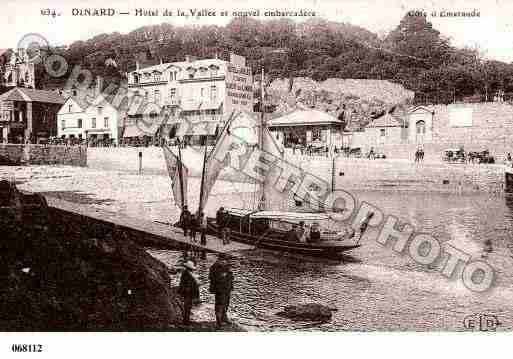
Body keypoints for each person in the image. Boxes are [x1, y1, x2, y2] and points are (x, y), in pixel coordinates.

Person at [209, 255, 234, 328]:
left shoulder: (227, 266)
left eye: (225, 260)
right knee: (219, 305)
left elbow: (231, 277)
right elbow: (212, 278)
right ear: (219, 260)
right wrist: (222, 276)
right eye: (223, 260)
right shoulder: (214, 267)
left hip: (227, 289)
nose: (225, 262)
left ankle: (224, 318)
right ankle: (218, 322)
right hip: (220, 290)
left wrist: (231, 286)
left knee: (226, 304)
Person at [178, 260, 200, 326]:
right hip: (188, 293)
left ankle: (186, 321)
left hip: (188, 293)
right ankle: (186, 322)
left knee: (188, 307)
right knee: (187, 307)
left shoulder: (186, 273)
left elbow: (182, 284)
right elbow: (186, 284)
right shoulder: (187, 274)